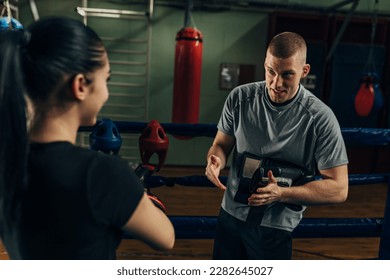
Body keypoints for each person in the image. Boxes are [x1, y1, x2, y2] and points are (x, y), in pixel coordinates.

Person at [0, 16, 174, 259]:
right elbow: (165, 237)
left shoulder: (8, 160)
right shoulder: (101, 173)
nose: (106, 91)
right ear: (80, 85)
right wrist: (139, 195)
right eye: (107, 78)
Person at [205, 31, 349, 260]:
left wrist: (281, 193)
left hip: (275, 227)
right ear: (264, 64)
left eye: (287, 75)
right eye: (271, 71)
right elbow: (221, 145)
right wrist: (216, 160)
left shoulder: (320, 118)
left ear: (304, 71)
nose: (276, 83)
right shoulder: (239, 98)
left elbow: (339, 189)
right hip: (230, 216)